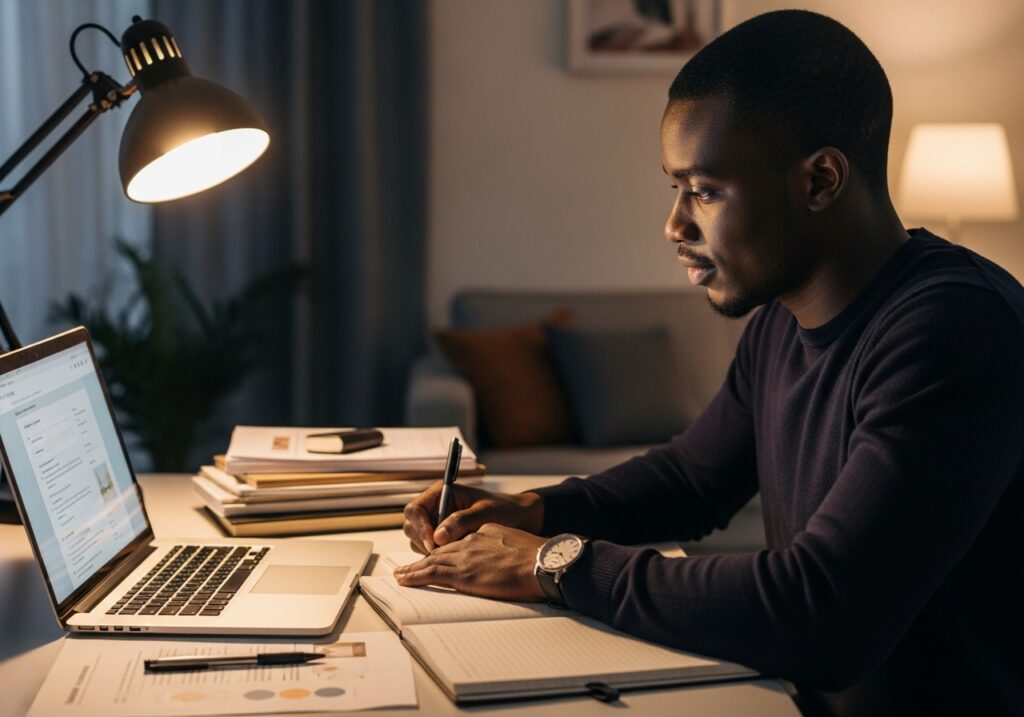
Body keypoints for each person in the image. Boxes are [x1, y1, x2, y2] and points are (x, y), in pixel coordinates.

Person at [396, 10, 1024, 716]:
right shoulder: (780, 325)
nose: (675, 225)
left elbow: (821, 612)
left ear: (820, 180)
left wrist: (553, 563)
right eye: (675, 187)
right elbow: (691, 479)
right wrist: (534, 510)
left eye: (706, 190)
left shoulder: (956, 330)